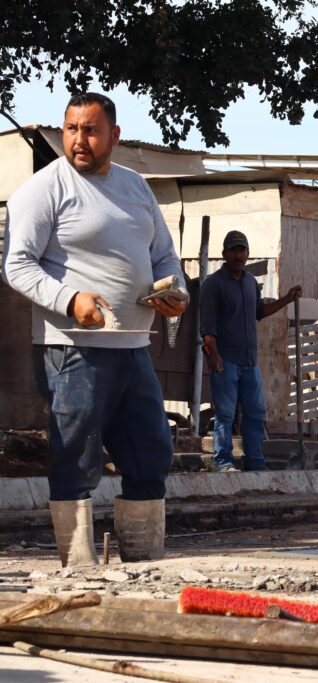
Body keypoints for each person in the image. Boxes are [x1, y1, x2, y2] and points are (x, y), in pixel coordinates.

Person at [1, 92, 187, 567]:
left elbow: (163, 253)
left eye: (90, 130)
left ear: (114, 136)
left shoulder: (136, 187)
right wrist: (69, 299)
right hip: (73, 350)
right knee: (77, 456)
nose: (78, 140)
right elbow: (16, 266)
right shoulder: (44, 189)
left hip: (132, 346)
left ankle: (143, 562)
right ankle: (79, 568)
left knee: (150, 451)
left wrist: (176, 291)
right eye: (71, 129)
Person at [199, 230, 302, 472]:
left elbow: (259, 312)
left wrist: (286, 299)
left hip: (249, 362)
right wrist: (213, 355)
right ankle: (222, 461)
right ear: (224, 254)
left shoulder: (250, 283)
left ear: (247, 254)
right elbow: (207, 326)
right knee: (225, 414)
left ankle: (254, 460)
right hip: (225, 360)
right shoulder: (213, 285)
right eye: (233, 250)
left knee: (255, 412)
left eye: (242, 250)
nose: (238, 255)